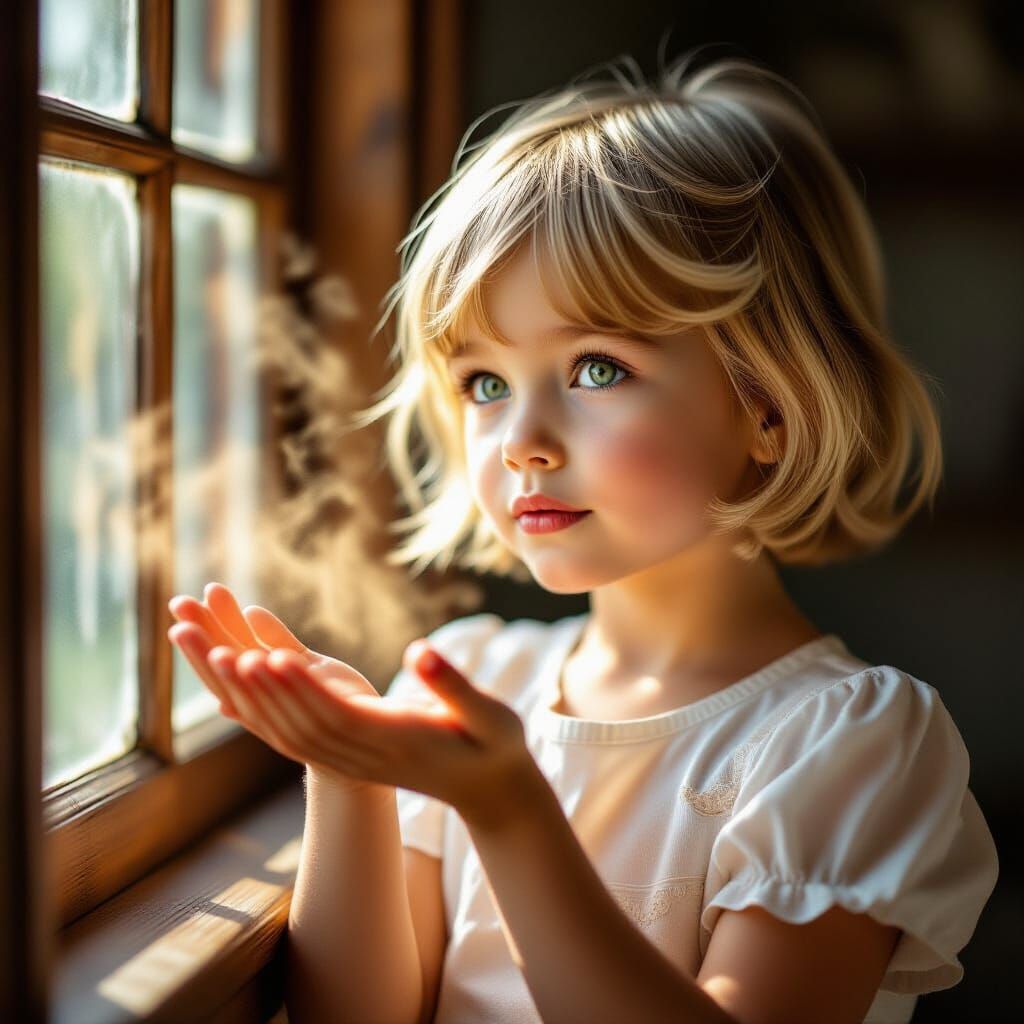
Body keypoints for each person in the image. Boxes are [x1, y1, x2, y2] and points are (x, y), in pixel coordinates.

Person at [167, 49, 1000, 1024]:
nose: (521, 443)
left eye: (596, 368)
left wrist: (511, 810)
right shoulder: (470, 680)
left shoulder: (848, 742)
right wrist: (348, 775)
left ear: (768, 405)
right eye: (483, 383)